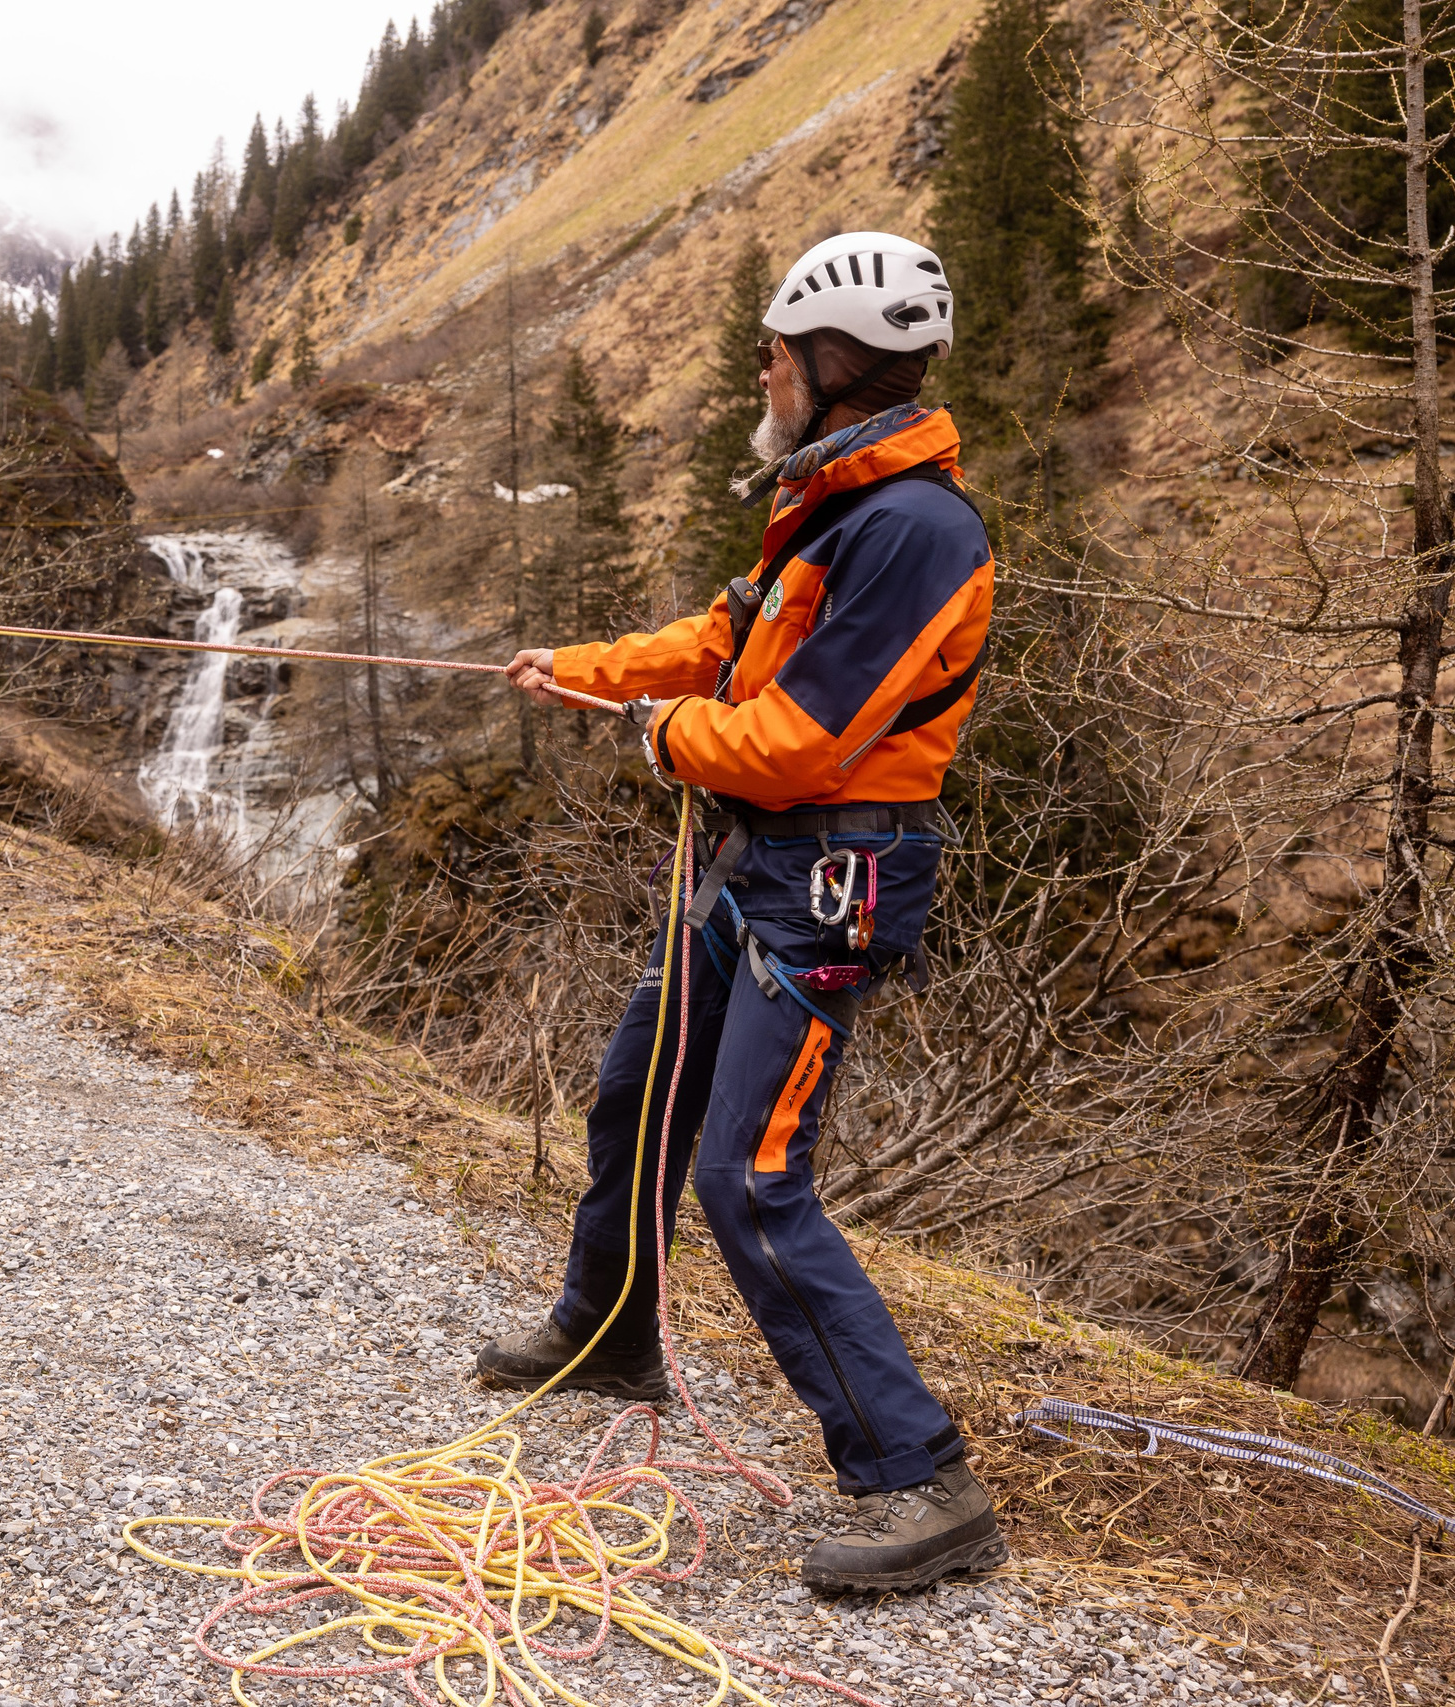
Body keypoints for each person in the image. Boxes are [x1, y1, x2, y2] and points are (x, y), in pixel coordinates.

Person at [484, 232, 999, 1594]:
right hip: (762, 864)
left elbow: (796, 737)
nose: (758, 370)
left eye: (773, 351)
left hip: (829, 879)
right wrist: (582, 671)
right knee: (639, 1087)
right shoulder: (832, 505)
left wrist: (662, 739)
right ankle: (610, 1337)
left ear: (833, 365)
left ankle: (919, 1478)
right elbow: (723, 639)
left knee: (749, 1179)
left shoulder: (915, 530)